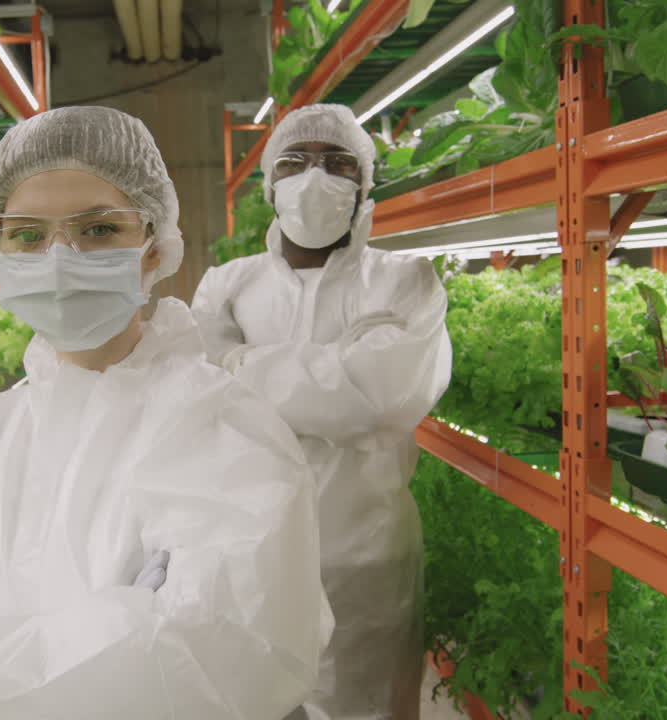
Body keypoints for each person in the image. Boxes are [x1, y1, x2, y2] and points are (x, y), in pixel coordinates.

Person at [0, 106, 331, 720]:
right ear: (0, 253)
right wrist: (121, 627)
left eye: (96, 230)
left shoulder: (227, 431)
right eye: (28, 236)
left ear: (152, 249)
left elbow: (225, 669)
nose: (59, 259)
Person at [192, 104, 452, 720]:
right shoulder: (225, 284)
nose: (315, 178)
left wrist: (239, 365)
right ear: (270, 186)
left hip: (367, 554)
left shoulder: (406, 281)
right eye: (294, 162)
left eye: (337, 163)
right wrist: (337, 369)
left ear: (363, 186)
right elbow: (200, 400)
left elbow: (381, 401)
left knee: (367, 708)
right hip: (248, 552)